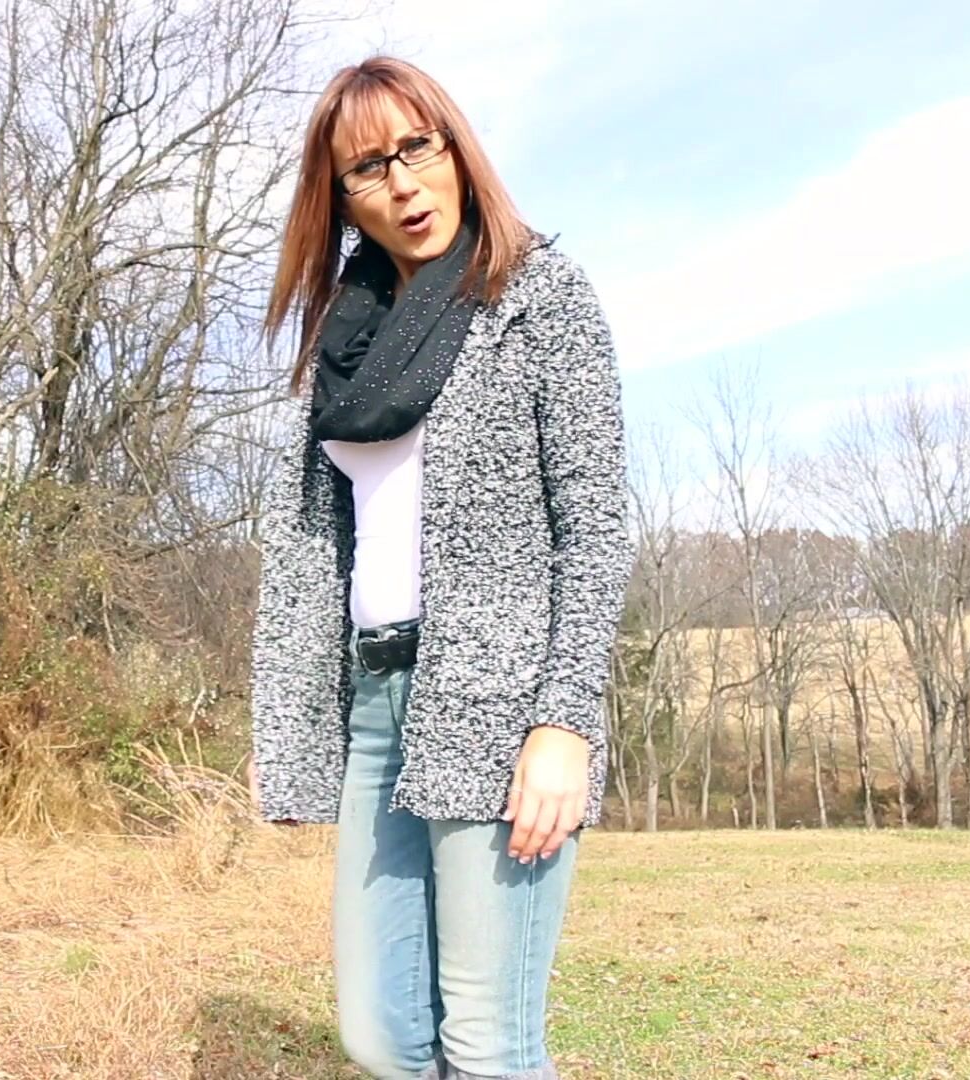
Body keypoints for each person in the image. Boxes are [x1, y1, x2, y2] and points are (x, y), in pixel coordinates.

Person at [243, 55, 632, 1080]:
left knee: (488, 1044)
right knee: (381, 1037)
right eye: (369, 168)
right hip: (376, 706)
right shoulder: (343, 337)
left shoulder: (538, 297)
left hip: (501, 703)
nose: (404, 184)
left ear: (457, 150)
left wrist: (563, 723)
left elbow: (594, 526)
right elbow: (307, 546)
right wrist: (288, 719)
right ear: (340, 198)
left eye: (419, 148)